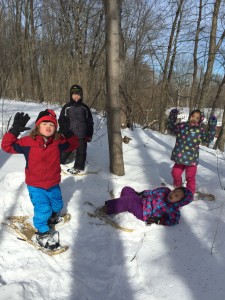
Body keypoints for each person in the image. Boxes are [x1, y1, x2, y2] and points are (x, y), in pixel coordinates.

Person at [1, 109, 79, 249]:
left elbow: (74, 145)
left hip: (53, 183)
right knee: (43, 209)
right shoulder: (27, 142)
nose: (49, 127)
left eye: (52, 125)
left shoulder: (58, 141)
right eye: (45, 123)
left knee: (57, 205)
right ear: (38, 126)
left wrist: (69, 133)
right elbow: (7, 146)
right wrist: (14, 131)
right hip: (35, 185)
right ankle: (42, 231)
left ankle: (53, 216)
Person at [167, 109, 217, 195]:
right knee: (175, 173)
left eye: (197, 118)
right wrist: (173, 116)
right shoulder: (181, 126)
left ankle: (190, 193)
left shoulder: (200, 130)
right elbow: (171, 128)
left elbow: (209, 139)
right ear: (190, 116)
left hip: (191, 160)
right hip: (180, 158)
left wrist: (212, 124)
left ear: (200, 120)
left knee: (190, 177)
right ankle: (178, 187)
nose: (194, 119)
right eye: (193, 116)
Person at [102, 186, 193, 226]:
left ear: (179, 202)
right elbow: (151, 192)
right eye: (174, 191)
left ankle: (107, 209)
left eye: (176, 196)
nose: (172, 195)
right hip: (142, 201)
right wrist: (142, 193)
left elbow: (173, 221)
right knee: (127, 189)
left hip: (144, 213)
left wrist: (158, 220)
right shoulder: (164, 191)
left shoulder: (173, 210)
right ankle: (124, 204)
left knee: (130, 201)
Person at [58, 84, 94, 174]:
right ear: (71, 95)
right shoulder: (67, 107)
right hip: (69, 135)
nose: (76, 96)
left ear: (81, 95)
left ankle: (78, 167)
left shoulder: (85, 108)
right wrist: (62, 133)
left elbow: (90, 122)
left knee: (81, 152)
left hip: (82, 135)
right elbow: (61, 121)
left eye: (78, 94)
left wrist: (89, 134)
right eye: (74, 94)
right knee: (65, 151)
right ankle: (58, 162)